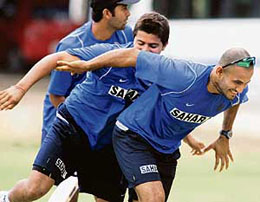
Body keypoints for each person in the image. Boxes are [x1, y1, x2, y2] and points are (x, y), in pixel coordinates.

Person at [0, 12, 205, 202]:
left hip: (111, 143)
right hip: (73, 127)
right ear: (132, 39)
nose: (144, 51)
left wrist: (190, 139)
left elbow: (163, 112)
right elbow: (56, 58)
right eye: (140, 43)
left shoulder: (164, 75)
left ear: (164, 46)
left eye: (153, 46)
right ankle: (6, 198)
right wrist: (20, 88)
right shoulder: (109, 55)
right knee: (35, 189)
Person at [54, 47, 255, 201]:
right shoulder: (183, 75)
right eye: (238, 82)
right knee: (154, 198)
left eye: (246, 83)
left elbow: (235, 102)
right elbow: (132, 55)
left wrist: (224, 135)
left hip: (166, 148)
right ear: (219, 71)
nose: (241, 88)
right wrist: (88, 65)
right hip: (134, 136)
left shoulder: (234, 91)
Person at [41, 0, 138, 201]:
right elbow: (56, 95)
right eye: (124, 8)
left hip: (100, 129)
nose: (129, 13)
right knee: (57, 191)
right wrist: (79, 129)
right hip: (67, 126)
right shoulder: (72, 45)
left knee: (104, 192)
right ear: (107, 13)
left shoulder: (127, 36)